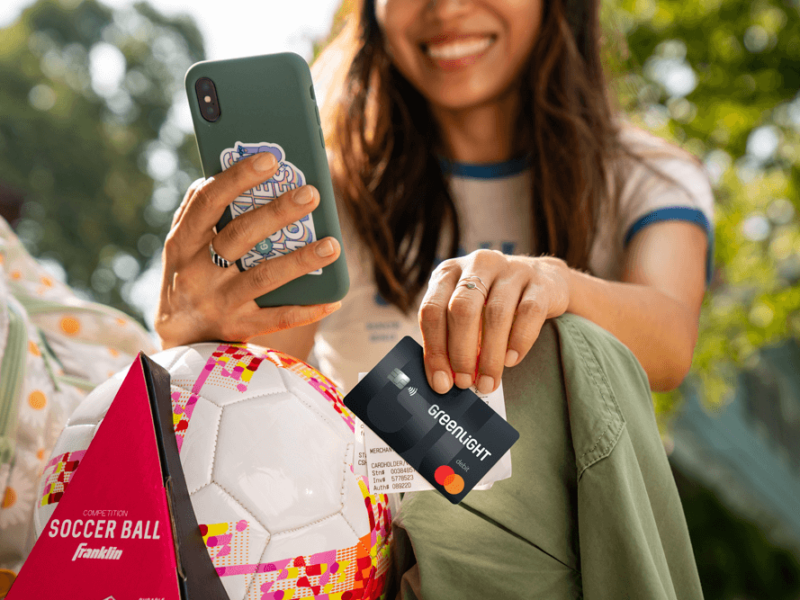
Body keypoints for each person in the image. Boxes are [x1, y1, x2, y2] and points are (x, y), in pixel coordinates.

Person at [154, 0, 711, 596]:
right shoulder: (323, 190)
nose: (446, 9)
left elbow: (670, 340)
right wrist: (199, 340)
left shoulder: (645, 173)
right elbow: (269, 386)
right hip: (361, 548)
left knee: (560, 337)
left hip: (553, 553)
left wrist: (557, 286)